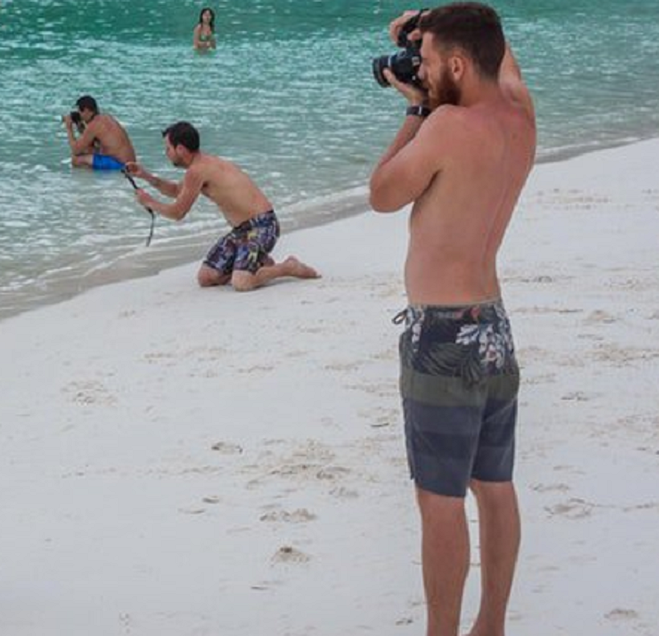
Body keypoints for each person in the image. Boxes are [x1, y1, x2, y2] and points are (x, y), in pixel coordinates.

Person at [367, 4, 535, 636]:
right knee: (495, 484)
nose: (423, 70)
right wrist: (431, 25)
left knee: (439, 499)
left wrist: (414, 110)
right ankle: (490, 624)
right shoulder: (520, 114)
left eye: (433, 62)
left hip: (441, 335)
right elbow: (498, 54)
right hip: (492, 326)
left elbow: (382, 193)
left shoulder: (445, 129)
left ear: (459, 64)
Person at [126, 121, 319, 291]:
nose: (166, 153)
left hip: (262, 226)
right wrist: (146, 176)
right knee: (206, 277)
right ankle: (257, 263)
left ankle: (287, 267)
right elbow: (177, 191)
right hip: (241, 231)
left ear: (181, 149)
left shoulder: (197, 170)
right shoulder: (200, 164)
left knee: (241, 283)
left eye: (168, 148)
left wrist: (149, 202)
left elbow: (178, 213)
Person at [62, 95, 137, 171]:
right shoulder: (106, 117)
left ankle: (91, 180)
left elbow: (76, 150)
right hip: (132, 164)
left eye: (80, 112)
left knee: (76, 160)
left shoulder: (94, 125)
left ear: (86, 110)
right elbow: (93, 145)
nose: (80, 115)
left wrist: (69, 128)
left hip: (121, 166)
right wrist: (80, 126)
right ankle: (100, 178)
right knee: (90, 151)